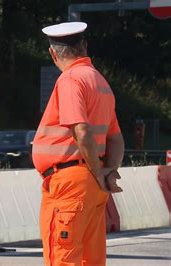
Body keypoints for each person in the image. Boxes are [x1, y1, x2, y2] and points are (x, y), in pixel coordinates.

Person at [32, 22, 125, 266]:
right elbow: (116, 138)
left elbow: (81, 132)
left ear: (53, 53)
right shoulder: (100, 82)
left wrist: (97, 171)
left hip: (70, 182)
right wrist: (108, 171)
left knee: (63, 258)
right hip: (92, 186)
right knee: (90, 260)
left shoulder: (70, 80)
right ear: (84, 46)